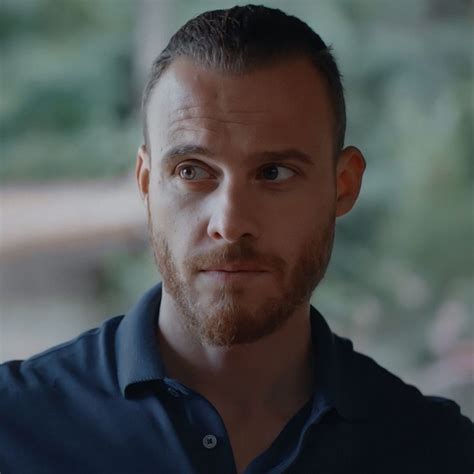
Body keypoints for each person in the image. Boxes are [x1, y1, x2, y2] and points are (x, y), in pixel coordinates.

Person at [0, 5, 472, 474]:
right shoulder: (13, 426)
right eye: (191, 171)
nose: (230, 222)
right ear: (145, 184)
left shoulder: (439, 452)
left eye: (274, 172)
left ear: (343, 185)